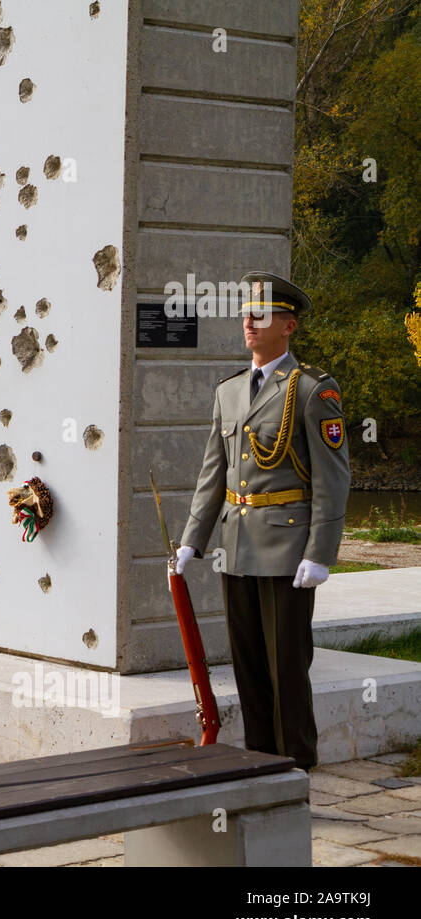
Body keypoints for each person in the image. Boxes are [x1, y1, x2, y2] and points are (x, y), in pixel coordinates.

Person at [177, 272, 351, 771]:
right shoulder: (229, 390)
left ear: (288, 326)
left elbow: (333, 479)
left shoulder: (315, 390)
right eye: (246, 315)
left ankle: (296, 762)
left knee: (287, 665)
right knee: (248, 662)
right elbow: (214, 474)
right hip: (235, 545)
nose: (249, 324)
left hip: (286, 548)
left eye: (261, 315)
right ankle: (258, 760)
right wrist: (193, 540)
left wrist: (320, 554)